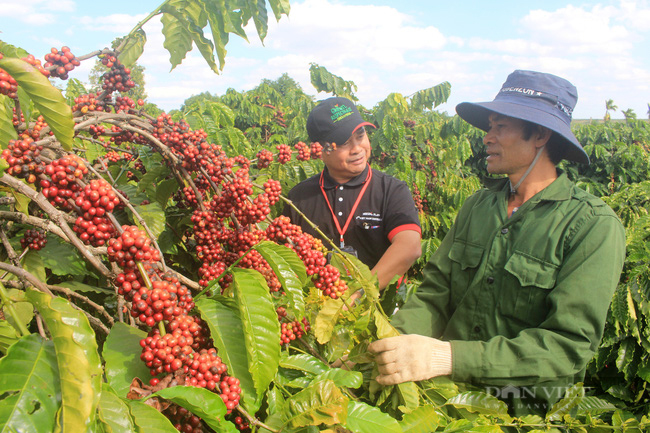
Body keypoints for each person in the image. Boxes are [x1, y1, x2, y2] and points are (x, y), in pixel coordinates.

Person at [368, 70, 626, 415]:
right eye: (489, 127)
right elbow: (435, 294)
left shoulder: (592, 226)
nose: (487, 138)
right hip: (446, 399)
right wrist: (390, 343)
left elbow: (568, 345)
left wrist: (448, 356)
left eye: (499, 127)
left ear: (540, 135)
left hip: (525, 414)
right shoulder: (478, 206)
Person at [282, 96, 422, 291]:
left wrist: (359, 293)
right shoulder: (299, 197)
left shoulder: (391, 190)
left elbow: (410, 246)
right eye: (344, 143)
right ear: (321, 150)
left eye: (361, 135)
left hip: (379, 309)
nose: (357, 149)